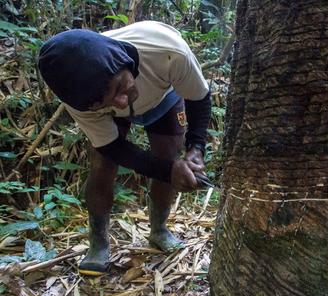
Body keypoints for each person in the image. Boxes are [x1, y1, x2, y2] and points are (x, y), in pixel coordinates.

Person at [38, 21, 211, 276]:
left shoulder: (168, 51)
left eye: (120, 88)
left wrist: (195, 149)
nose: (121, 102)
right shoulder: (80, 98)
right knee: (101, 166)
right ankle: (98, 242)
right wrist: (168, 171)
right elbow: (112, 147)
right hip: (106, 108)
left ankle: (159, 230)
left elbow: (199, 98)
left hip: (163, 97)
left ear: (123, 61)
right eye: (105, 101)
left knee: (169, 155)